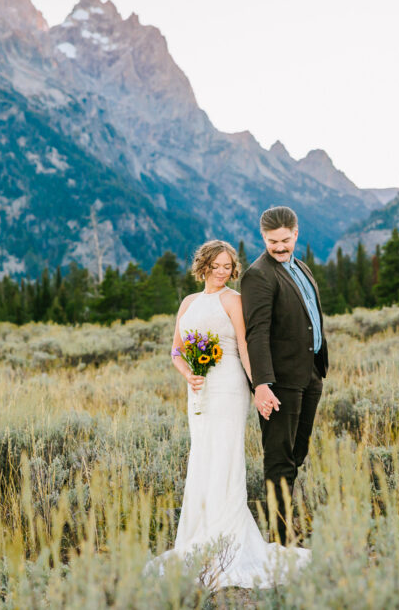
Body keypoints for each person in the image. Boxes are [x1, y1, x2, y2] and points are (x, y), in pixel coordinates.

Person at [147, 239, 309, 589]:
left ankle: (229, 543)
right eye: (216, 265)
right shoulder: (188, 302)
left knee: (225, 458)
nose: (222, 272)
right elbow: (176, 349)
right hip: (198, 391)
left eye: (227, 266)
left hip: (229, 387)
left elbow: (247, 346)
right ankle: (200, 538)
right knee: (202, 458)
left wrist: (260, 387)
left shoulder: (234, 300)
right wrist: (187, 373)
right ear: (203, 265)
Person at [241, 205, 329, 545]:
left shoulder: (300, 266)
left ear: (296, 233)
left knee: (296, 455)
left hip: (310, 375)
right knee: (279, 459)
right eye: (272, 241)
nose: (279, 247)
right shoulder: (258, 275)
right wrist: (261, 385)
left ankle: (284, 529)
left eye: (285, 240)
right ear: (263, 237)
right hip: (279, 383)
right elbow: (257, 333)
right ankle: (279, 543)